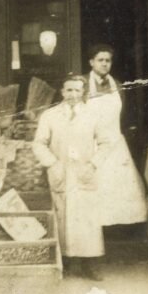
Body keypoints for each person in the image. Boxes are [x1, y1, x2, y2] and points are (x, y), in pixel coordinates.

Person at [32, 73, 108, 280]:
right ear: (62, 92)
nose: (73, 94)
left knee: (87, 220)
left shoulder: (93, 115)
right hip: (61, 172)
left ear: (83, 92)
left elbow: (107, 143)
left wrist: (93, 164)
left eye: (77, 90)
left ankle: (90, 264)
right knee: (62, 218)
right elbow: (39, 143)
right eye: (68, 90)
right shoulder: (50, 115)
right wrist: (52, 163)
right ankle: (64, 263)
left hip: (84, 173)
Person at [86, 45, 148, 226]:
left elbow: (121, 114)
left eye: (108, 60)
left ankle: (117, 229)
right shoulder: (82, 84)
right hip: (92, 144)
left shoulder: (118, 85)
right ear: (91, 62)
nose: (105, 64)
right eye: (100, 60)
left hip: (115, 143)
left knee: (119, 187)